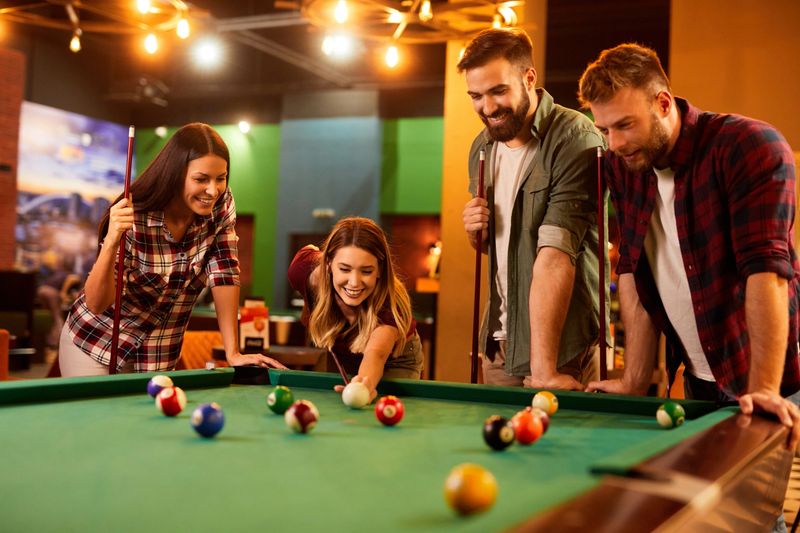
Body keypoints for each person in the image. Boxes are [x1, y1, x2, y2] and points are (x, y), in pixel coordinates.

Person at [578, 44, 800, 451]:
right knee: (707, 492)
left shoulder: (747, 146)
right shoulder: (623, 166)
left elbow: (766, 269)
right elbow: (632, 267)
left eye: (625, 125)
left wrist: (764, 389)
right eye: (605, 130)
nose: (615, 143)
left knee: (757, 495)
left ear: (663, 103)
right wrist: (633, 382)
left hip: (773, 383)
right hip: (701, 381)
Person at [59, 123, 285, 376]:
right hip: (97, 344)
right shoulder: (135, 215)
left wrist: (233, 352)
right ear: (176, 174)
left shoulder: (221, 205)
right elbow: (97, 303)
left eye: (220, 178)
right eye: (201, 179)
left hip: (158, 354)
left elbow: (225, 272)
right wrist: (112, 239)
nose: (213, 190)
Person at [459, 28, 607, 390]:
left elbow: (556, 254)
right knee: (499, 429)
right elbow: (496, 249)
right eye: (476, 96)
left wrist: (544, 371)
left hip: (561, 346)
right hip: (499, 339)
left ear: (529, 78)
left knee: (557, 431)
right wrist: (475, 233)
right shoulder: (482, 147)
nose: (487, 108)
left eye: (498, 91)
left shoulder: (575, 138)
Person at [288, 217, 423, 402]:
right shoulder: (303, 272)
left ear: (380, 270)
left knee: (383, 409)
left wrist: (363, 385)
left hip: (396, 359)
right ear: (328, 263)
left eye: (366, 271)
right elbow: (310, 250)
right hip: (342, 349)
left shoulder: (390, 304)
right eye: (345, 269)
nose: (354, 282)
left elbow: (376, 353)